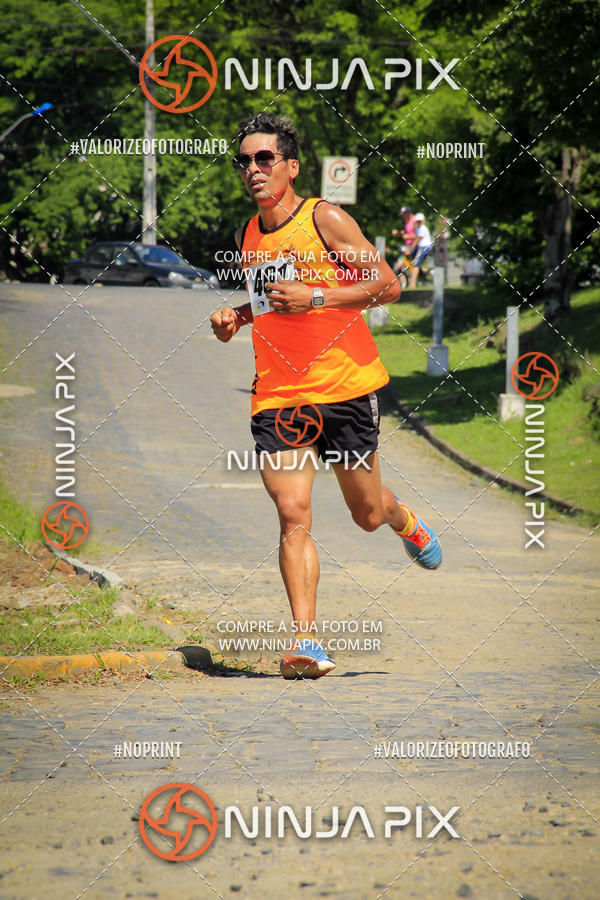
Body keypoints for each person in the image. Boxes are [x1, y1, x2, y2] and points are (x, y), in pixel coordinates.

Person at [210, 113, 442, 680]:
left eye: (265, 159)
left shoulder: (326, 219)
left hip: (344, 387)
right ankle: (306, 642)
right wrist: (235, 317)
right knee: (293, 513)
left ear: (290, 166)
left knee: (365, 514)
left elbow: (390, 285)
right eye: (244, 161)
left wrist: (317, 296)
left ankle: (401, 516)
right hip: (279, 394)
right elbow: (270, 301)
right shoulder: (248, 234)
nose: (253, 170)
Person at [407, 212, 433, 288]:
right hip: (422, 248)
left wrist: (409, 249)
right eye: (417, 221)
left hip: (424, 248)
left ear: (423, 221)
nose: (419, 222)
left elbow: (417, 240)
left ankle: (412, 285)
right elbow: (414, 236)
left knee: (416, 265)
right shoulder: (418, 229)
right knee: (418, 264)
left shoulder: (422, 228)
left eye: (420, 221)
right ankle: (430, 272)